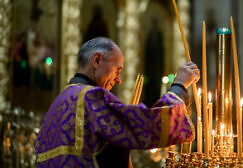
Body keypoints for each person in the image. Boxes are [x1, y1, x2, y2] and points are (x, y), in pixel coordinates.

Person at [35, 37, 200, 167]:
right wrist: (178, 87)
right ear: (97, 60)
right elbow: (148, 126)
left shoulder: (60, 101)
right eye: (117, 70)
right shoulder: (89, 97)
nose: (119, 80)